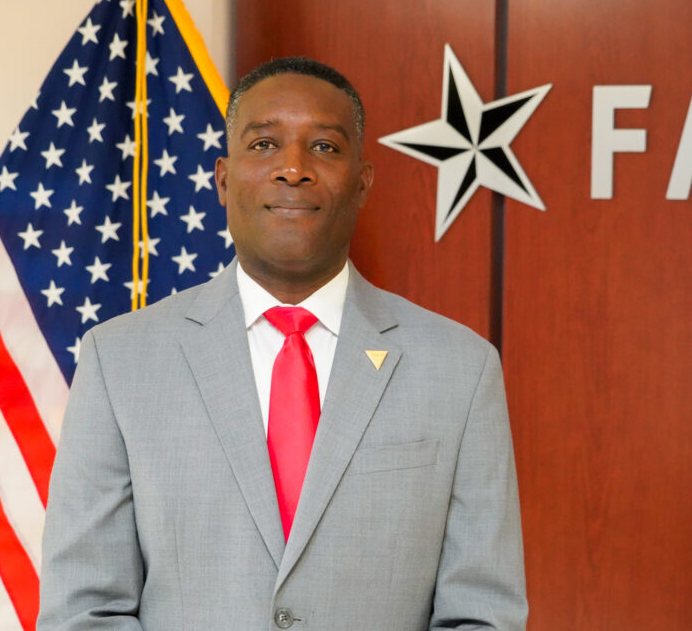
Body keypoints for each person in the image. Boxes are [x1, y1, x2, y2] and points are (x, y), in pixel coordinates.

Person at [37, 57, 527, 630]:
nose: (293, 169)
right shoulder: (119, 360)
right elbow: (85, 609)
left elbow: (482, 614)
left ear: (363, 183)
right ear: (223, 180)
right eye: (265, 144)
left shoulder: (460, 369)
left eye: (324, 147)